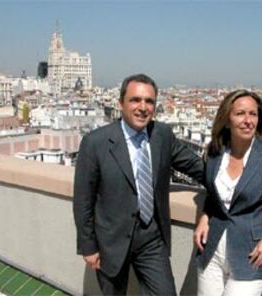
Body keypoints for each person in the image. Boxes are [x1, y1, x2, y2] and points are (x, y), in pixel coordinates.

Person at [73, 73, 203, 295]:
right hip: (110, 241)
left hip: (151, 239)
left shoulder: (162, 135)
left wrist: (236, 183)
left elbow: (195, 166)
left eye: (149, 101)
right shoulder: (95, 143)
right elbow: (83, 200)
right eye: (135, 100)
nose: (143, 107)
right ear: (121, 103)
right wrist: (89, 246)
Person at [194, 89, 262, 296]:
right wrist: (205, 216)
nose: (248, 120)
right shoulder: (215, 154)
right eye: (240, 114)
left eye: (253, 114)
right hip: (212, 251)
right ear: (226, 120)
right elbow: (214, 196)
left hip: (252, 255)